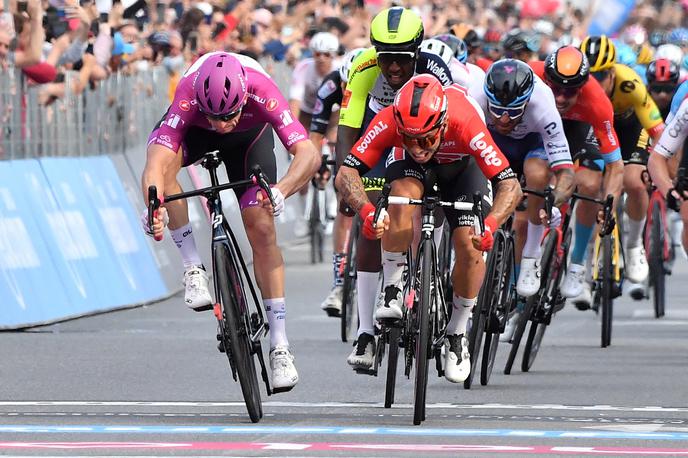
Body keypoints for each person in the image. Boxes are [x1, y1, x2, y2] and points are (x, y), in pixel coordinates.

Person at [141, 52, 320, 392]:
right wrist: (153, 205)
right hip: (195, 134)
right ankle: (193, 267)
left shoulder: (261, 89)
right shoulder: (189, 93)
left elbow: (307, 153)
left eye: (229, 115)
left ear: (243, 98)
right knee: (162, 178)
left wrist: (282, 189)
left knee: (262, 225)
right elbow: (155, 160)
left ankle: (279, 344)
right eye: (215, 117)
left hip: (248, 139)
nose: (222, 124)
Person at [336, 74, 522, 383]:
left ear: (443, 123)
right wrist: (367, 212)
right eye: (408, 137)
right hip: (410, 171)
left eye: (425, 138)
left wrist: (490, 225)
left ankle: (458, 331)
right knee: (399, 198)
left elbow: (510, 184)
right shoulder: (390, 121)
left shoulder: (465, 122)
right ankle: (393, 287)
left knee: (468, 244)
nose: (417, 146)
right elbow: (346, 172)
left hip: (462, 169)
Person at [334, 6, 452, 370]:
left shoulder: (436, 72)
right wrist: (347, 183)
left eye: (402, 59)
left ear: (417, 52)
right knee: (372, 225)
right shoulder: (365, 68)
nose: (394, 68)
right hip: (379, 134)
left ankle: (425, 281)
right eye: (387, 59)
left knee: (417, 204)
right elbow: (347, 132)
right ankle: (366, 332)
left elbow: (445, 132)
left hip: (421, 137)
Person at [478, 59, 575, 340]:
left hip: (533, 147)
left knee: (535, 177)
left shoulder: (543, 104)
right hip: (494, 144)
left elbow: (566, 172)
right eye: (497, 111)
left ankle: (531, 254)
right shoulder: (476, 96)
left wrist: (553, 198)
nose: (505, 119)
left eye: (513, 112)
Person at [529, 46, 625, 309]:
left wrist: (610, 204)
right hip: (541, 123)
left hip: (579, 128)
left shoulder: (597, 102)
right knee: (532, 182)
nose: (560, 97)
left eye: (569, 91)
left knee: (591, 184)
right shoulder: (531, 74)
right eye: (555, 88)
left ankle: (577, 264)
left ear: (582, 86)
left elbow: (616, 167)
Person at [580, 35, 666, 298]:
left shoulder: (630, 83)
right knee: (590, 189)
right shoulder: (579, 88)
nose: (597, 82)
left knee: (634, 182)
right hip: (597, 129)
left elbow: (657, 130)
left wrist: (659, 166)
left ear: (613, 73)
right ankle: (584, 263)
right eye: (591, 76)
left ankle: (633, 246)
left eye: (603, 75)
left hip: (630, 130)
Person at [310, 47, 366, 317]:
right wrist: (315, 162)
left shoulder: (378, 85)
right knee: (345, 199)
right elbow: (315, 133)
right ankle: (340, 282)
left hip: (374, 133)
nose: (347, 89)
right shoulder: (331, 83)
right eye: (345, 85)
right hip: (345, 135)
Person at [289, 31, 341, 237]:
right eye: (317, 54)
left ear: (334, 56)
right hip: (308, 114)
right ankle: (303, 217)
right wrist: (292, 137)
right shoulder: (303, 69)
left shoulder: (339, 70)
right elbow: (294, 104)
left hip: (333, 114)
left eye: (327, 55)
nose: (321, 59)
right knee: (303, 162)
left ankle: (332, 208)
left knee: (337, 151)